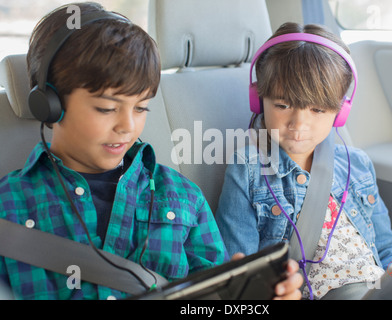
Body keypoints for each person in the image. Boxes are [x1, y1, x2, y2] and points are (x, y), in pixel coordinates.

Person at [0, 2, 301, 300]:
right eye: (106, 108)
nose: (127, 126)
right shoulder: (8, 206)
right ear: (50, 103)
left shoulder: (184, 198)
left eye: (141, 107)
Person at [215, 22, 392, 300]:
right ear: (258, 99)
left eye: (317, 109)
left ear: (341, 113)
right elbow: (243, 274)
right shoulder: (249, 170)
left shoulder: (357, 165)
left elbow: (386, 250)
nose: (298, 123)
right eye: (282, 105)